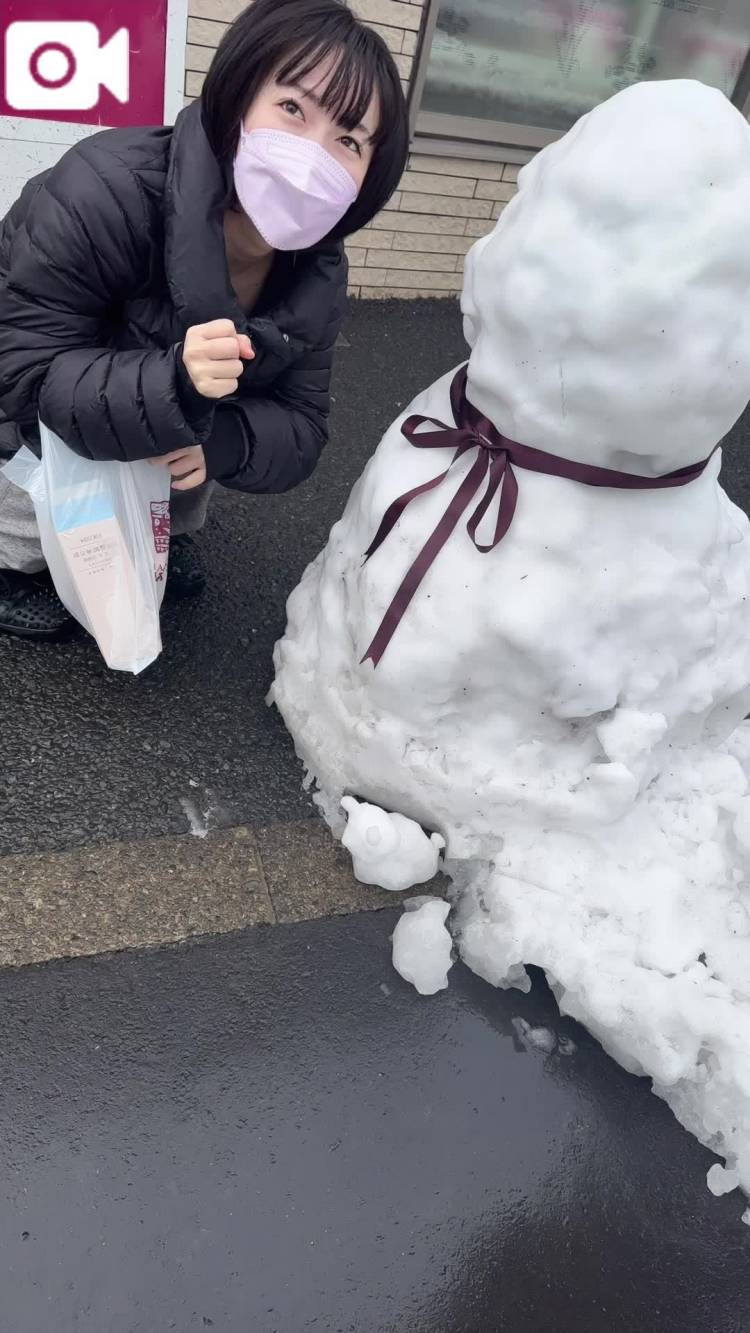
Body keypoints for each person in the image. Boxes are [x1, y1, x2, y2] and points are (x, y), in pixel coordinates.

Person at [0, 0, 408, 640]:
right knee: (29, 498)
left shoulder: (316, 276)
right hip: (35, 413)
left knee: (196, 438)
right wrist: (173, 381)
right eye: (293, 109)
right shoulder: (107, 189)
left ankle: (153, 534)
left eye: (349, 140)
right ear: (239, 94)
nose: (311, 157)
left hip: (153, 421)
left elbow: (302, 424)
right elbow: (25, 371)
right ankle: (11, 565)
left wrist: (217, 443)